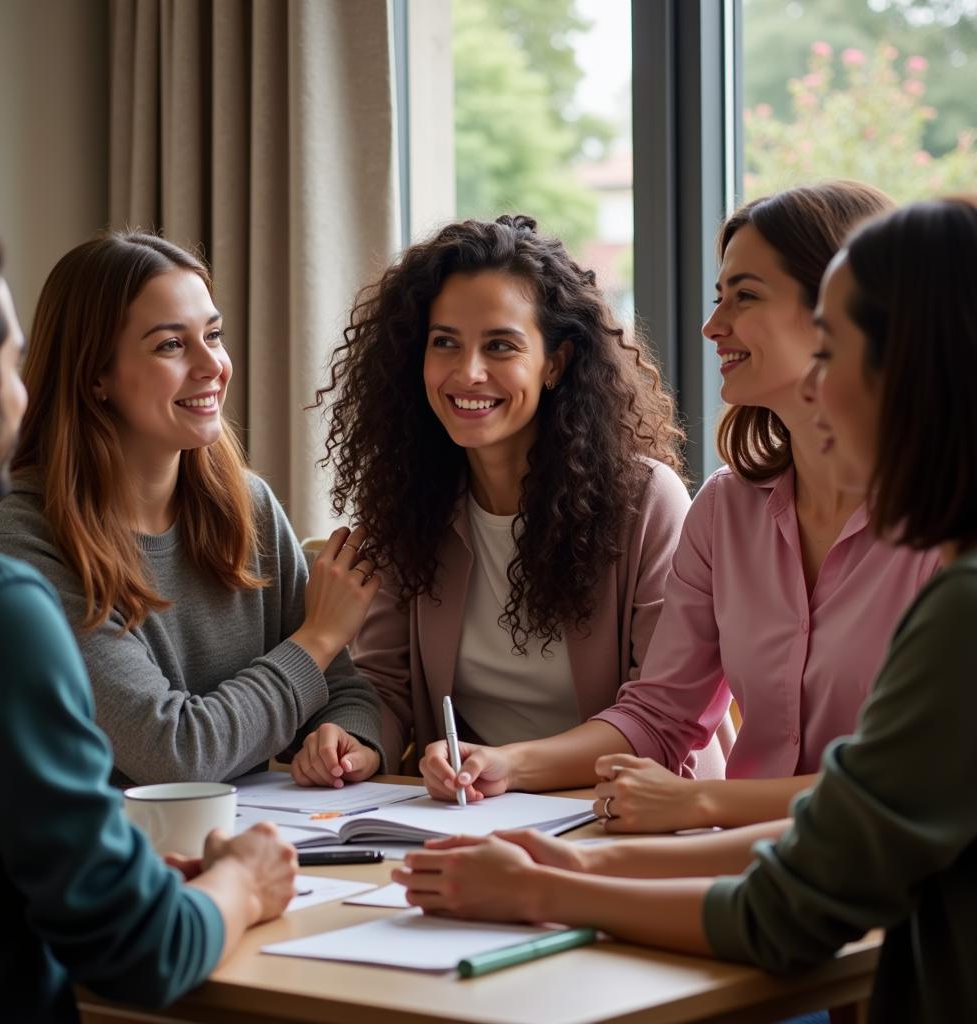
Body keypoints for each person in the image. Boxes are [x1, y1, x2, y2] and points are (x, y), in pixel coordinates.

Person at [395, 195, 977, 1021]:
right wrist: (561, 868)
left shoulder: (960, 604)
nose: (817, 381)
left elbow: (794, 900)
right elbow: (822, 837)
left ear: (915, 362)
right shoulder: (735, 510)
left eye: (834, 349)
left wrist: (553, 888)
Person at [419, 183, 940, 834]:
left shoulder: (943, 528)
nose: (712, 326)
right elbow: (661, 716)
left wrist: (700, 804)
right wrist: (508, 764)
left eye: (744, 297)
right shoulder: (727, 509)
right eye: (719, 296)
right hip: (750, 866)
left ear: (838, 310)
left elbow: (907, 786)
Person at [0, 208, 298, 1023]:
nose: (25, 392)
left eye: (210, 334)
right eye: (14, 364)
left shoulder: (246, 506)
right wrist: (242, 881)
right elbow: (140, 948)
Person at [0, 230, 383, 788]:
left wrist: (349, 741)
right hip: (110, 862)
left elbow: (340, 689)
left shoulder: (248, 507)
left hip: (260, 843)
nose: (213, 365)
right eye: (171, 345)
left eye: (214, 334)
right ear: (96, 377)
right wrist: (319, 636)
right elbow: (174, 755)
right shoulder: (20, 535)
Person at [304, 213, 694, 779]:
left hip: (627, 816)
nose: (468, 372)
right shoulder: (408, 504)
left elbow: (657, 719)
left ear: (554, 363)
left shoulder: (648, 502)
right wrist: (358, 742)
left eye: (501, 346)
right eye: (445, 343)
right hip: (471, 814)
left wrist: (508, 764)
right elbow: (384, 686)